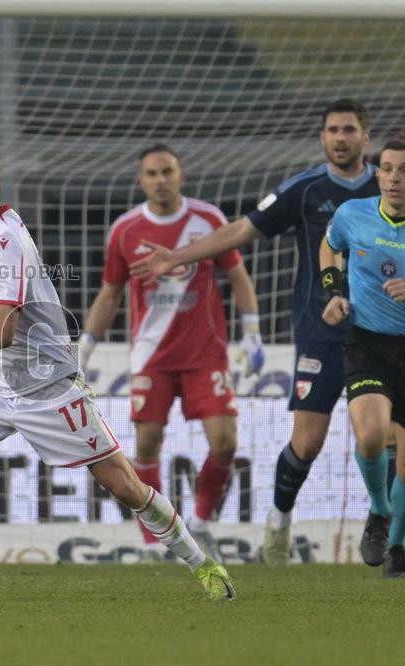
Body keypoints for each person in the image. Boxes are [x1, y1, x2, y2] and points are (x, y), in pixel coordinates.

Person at [0, 146, 235, 600]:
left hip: (46, 389)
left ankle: (202, 563)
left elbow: (2, 333)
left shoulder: (5, 243)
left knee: (126, 486)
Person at [129, 99, 385, 566]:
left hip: (384, 332)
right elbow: (244, 229)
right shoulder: (305, 190)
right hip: (321, 331)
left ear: (367, 137)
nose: (341, 137)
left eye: (350, 129)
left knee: (384, 436)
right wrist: (178, 257)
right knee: (307, 441)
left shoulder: (389, 184)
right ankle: (280, 520)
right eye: (333, 130)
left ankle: (386, 526)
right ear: (322, 137)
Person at [80, 145, 264, 560]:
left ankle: (198, 524)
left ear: (181, 175)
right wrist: (86, 347)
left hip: (206, 353)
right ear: (141, 180)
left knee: (225, 444)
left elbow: (237, 275)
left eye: (167, 171)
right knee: (146, 445)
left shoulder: (209, 219)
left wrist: (252, 330)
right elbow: (110, 293)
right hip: (151, 356)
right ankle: (155, 542)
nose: (160, 180)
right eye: (152, 173)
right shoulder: (125, 230)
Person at [320, 140, 405, 577]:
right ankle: (379, 509)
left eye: (403, 171)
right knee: (371, 435)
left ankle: (397, 546)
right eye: (388, 169)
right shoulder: (354, 214)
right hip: (368, 343)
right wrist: (334, 290)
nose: (394, 178)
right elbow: (329, 244)